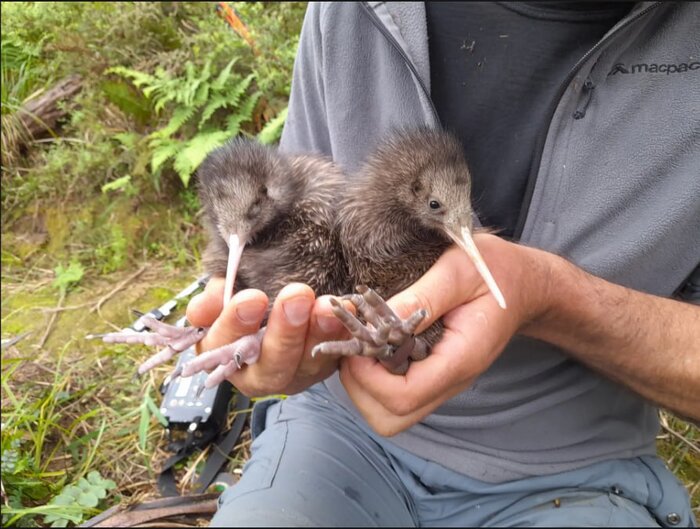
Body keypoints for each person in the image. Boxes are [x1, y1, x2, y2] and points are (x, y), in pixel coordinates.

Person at [187, 2, 700, 526]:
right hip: (337, 431)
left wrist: (552, 298)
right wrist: (280, 337)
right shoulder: (352, 11)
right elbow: (286, 241)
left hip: (566, 472)